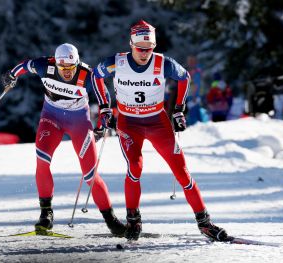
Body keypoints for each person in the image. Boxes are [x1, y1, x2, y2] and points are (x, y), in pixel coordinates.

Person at [92, 20, 229, 241]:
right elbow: (95, 76)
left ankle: (204, 223)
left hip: (157, 122)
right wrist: (105, 107)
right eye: (140, 49)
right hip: (129, 123)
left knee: (182, 172)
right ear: (131, 44)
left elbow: (185, 78)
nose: (145, 53)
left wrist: (178, 110)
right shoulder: (116, 63)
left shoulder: (163, 63)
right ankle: (133, 220)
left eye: (149, 48)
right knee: (135, 168)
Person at [1, 43, 126, 236]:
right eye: (62, 68)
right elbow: (25, 66)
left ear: (77, 63)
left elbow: (104, 100)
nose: (67, 72)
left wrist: (103, 122)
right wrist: (11, 75)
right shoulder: (45, 66)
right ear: (56, 63)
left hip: (79, 123)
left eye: (71, 68)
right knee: (42, 161)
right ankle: (46, 214)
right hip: (52, 118)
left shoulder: (87, 75)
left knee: (90, 175)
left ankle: (111, 220)